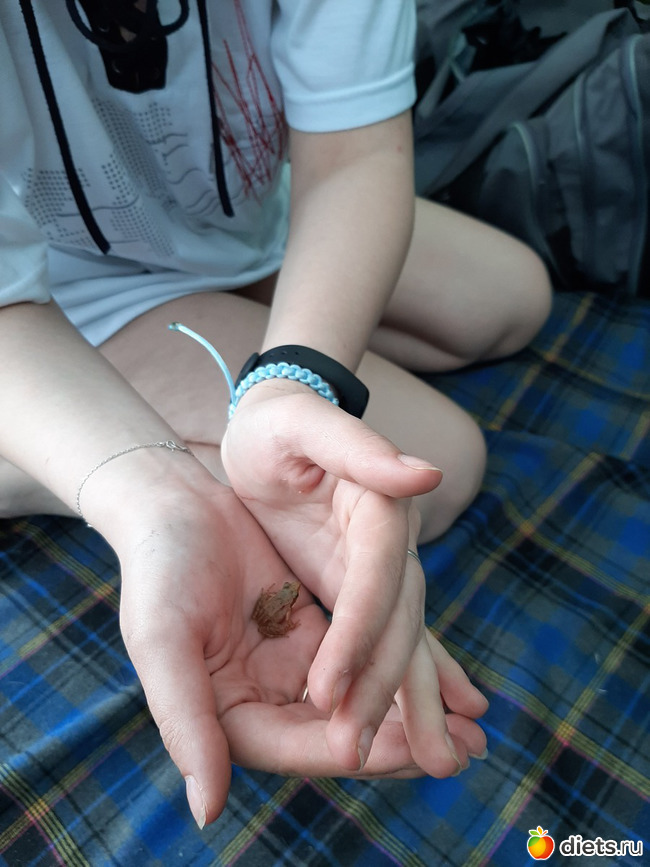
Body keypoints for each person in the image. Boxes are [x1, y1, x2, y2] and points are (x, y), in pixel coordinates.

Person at [0, 0, 551, 828]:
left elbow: (357, 154)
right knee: (443, 459)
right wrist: (151, 493)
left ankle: (217, 347)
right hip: (55, 296)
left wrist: (291, 378)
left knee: (510, 297)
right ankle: (35, 458)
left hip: (238, 221)